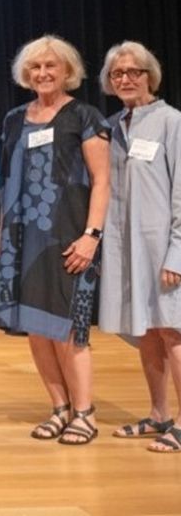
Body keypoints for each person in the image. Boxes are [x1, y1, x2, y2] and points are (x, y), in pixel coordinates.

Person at [0, 35, 110, 445]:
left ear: (67, 71)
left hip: (69, 237)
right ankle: (59, 408)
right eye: (35, 68)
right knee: (36, 327)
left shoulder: (85, 115)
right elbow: (9, 179)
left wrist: (91, 236)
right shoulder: (13, 119)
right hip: (22, 238)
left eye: (50, 67)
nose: (42, 74)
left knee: (68, 329)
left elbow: (101, 181)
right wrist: (4, 233)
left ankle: (85, 413)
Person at [96, 41, 181, 453]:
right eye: (117, 74)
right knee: (148, 332)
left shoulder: (171, 121)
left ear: (151, 75)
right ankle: (159, 414)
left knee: (174, 333)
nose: (126, 79)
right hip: (127, 250)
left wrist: (177, 254)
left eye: (134, 72)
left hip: (164, 250)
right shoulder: (113, 127)